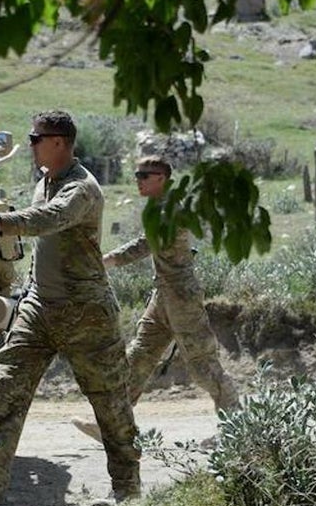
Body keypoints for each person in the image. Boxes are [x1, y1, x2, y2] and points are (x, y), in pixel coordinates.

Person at [0, 110, 141, 505]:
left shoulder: (82, 188)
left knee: (109, 402)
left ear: (60, 143)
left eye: (36, 138)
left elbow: (50, 220)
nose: (30, 144)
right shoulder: (45, 182)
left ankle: (128, 491)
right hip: (41, 308)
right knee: (9, 383)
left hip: (86, 311)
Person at [72, 155, 238, 445]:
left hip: (181, 296)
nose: (138, 180)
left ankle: (238, 428)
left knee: (202, 364)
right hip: (164, 294)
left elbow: (145, 245)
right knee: (138, 358)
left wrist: (107, 260)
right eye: (137, 175)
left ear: (161, 179)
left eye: (144, 176)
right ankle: (112, 426)